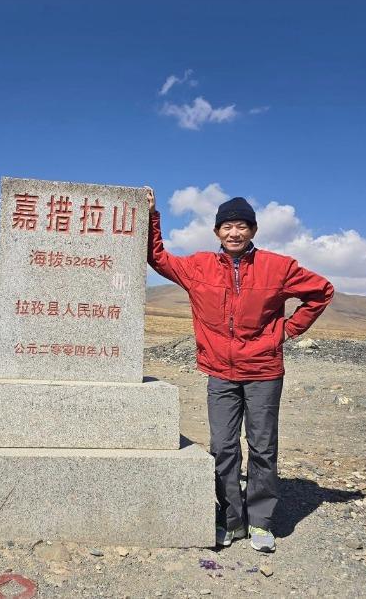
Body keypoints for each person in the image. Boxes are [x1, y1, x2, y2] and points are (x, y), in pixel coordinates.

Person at [144, 188, 334, 553]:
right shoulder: (198, 267)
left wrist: (288, 330)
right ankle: (230, 520)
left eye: (242, 226)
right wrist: (154, 215)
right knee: (224, 447)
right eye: (227, 226)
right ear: (217, 232)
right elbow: (157, 257)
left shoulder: (279, 267)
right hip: (220, 371)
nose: (234, 233)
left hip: (264, 370)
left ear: (253, 230)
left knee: (262, 447)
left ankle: (261, 523)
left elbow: (321, 291)